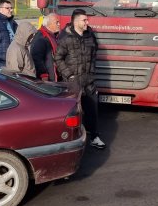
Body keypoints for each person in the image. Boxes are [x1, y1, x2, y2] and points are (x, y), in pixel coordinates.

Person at [54, 9, 105, 149]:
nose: (87, 23)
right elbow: (58, 58)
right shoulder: (66, 38)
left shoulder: (90, 36)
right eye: (84, 20)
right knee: (74, 111)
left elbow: (95, 53)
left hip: (89, 81)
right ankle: (71, 141)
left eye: (87, 20)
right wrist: (69, 75)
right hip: (73, 82)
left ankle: (94, 137)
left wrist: (92, 71)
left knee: (93, 109)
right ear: (76, 22)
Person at [31, 13, 62, 81]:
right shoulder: (41, 37)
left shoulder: (53, 35)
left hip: (55, 74)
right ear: (48, 24)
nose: (59, 24)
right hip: (48, 77)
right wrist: (43, 74)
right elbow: (37, 58)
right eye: (56, 22)